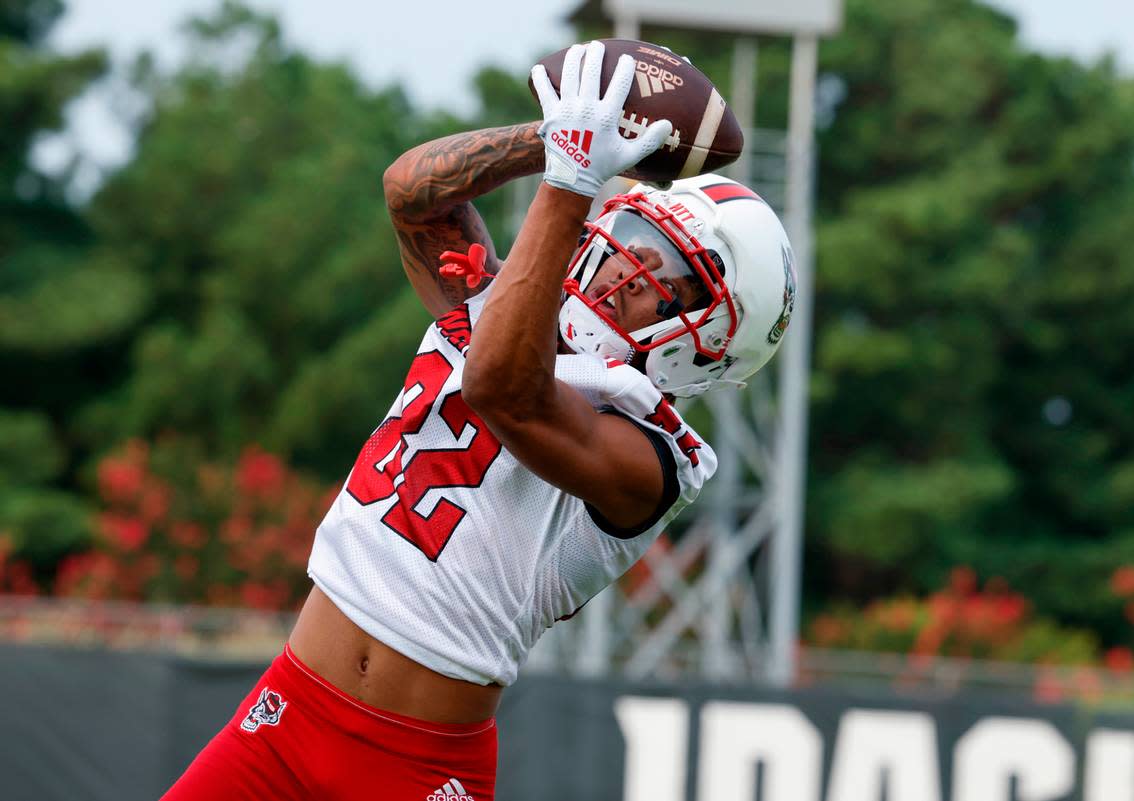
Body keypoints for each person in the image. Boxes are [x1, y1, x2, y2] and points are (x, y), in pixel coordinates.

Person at [162, 40, 795, 801]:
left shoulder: (651, 456)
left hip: (413, 766)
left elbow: (503, 388)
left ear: (715, 341)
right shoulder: (508, 307)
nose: (629, 269)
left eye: (670, 276)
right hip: (288, 709)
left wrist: (569, 181)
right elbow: (410, 191)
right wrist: (560, 137)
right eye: (636, 239)